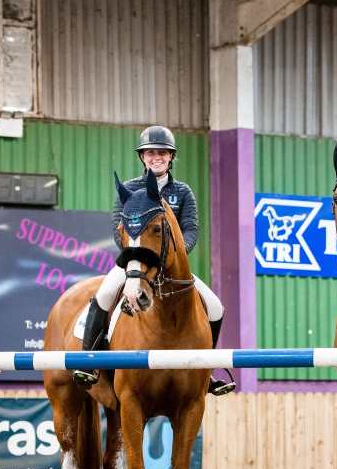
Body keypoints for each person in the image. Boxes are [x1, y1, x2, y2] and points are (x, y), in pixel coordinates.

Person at [73, 125, 235, 395]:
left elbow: (191, 229)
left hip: (172, 268)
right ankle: (89, 362)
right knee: (104, 294)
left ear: (171, 157)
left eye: (162, 152)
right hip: (136, 267)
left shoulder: (182, 192)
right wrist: (136, 261)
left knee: (216, 307)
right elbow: (118, 229)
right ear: (142, 157)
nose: (156, 157)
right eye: (150, 153)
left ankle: (206, 371)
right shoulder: (129, 189)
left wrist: (175, 255)